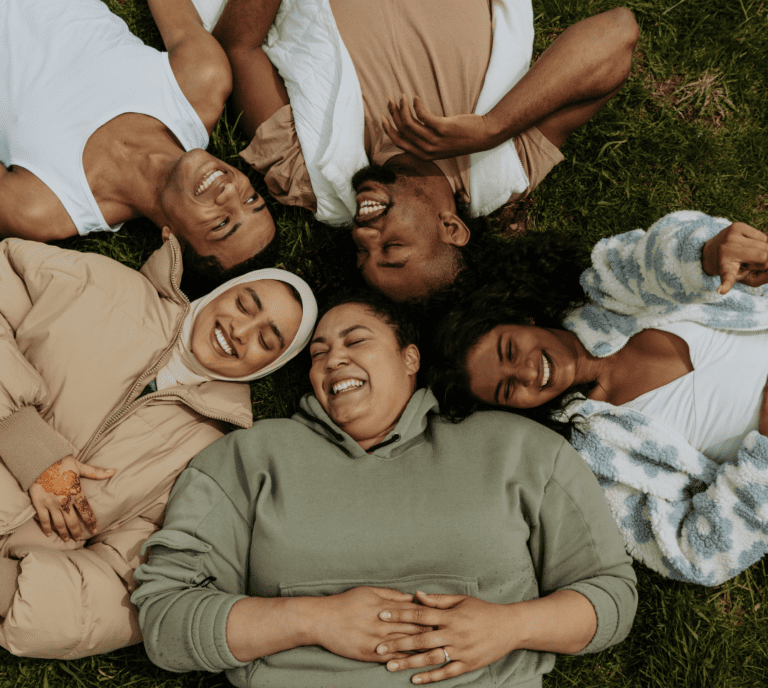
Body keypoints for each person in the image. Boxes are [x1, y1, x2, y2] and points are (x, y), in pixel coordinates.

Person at [132, 291, 636, 687]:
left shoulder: (521, 449)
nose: (333, 360)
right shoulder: (246, 458)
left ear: (409, 357)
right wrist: (313, 619)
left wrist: (510, 627)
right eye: (319, 353)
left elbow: (610, 596)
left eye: (356, 341)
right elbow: (165, 622)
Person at [180, 0, 639, 301]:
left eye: (362, 255)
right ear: (452, 228)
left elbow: (239, 46)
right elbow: (617, 33)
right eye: (392, 247)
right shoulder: (504, 164)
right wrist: (491, 128)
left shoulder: (307, 174)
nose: (362, 236)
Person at [0, 234, 317, 658]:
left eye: (268, 340)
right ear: (224, 290)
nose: (240, 331)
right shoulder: (103, 285)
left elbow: (124, 584)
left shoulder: (211, 455)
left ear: (272, 365)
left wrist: (9, 587)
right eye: (245, 304)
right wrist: (26, 442)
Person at [429, 209, 768, 586]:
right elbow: (695, 556)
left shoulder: (610, 292)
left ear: (521, 318)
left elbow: (660, 255)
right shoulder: (596, 460)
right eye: (508, 390)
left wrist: (705, 254)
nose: (525, 372)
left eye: (510, 350)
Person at [0, 0, 286, 290]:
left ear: (172, 243)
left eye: (222, 222)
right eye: (251, 199)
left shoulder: (43, 207)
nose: (230, 191)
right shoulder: (199, 84)